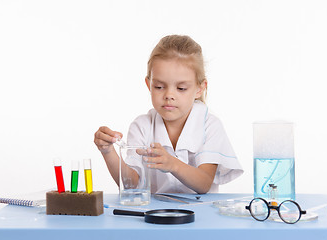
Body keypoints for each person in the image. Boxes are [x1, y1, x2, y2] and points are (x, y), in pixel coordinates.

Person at [94, 35, 243, 194]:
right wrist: (108, 152)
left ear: (200, 89)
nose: (169, 95)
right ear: (149, 85)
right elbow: (132, 186)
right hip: (157, 216)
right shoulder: (141, 126)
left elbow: (204, 182)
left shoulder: (210, 125)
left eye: (181, 88)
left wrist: (173, 164)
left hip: (202, 214)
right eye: (159, 87)